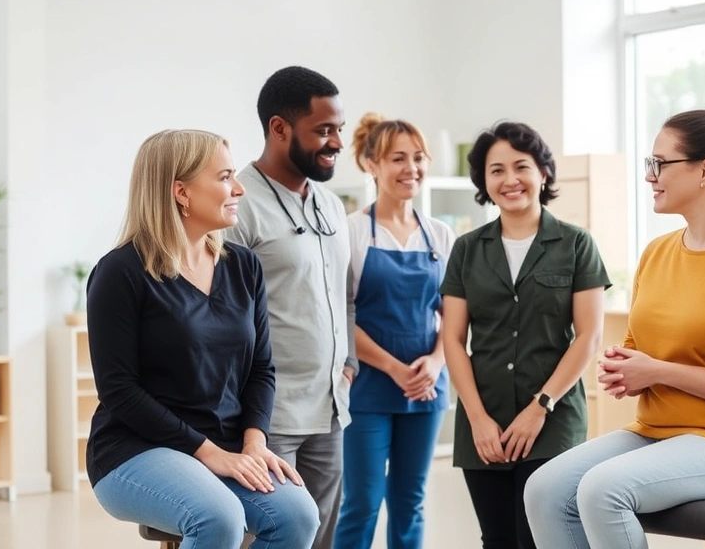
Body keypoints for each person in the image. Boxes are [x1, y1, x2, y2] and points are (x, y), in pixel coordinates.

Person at [523, 91, 705, 549]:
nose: (649, 176)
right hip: (660, 430)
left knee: (604, 490)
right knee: (545, 489)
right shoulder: (657, 253)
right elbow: (640, 342)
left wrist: (655, 371)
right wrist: (627, 367)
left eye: (660, 164)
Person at [86, 129, 319, 549]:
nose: (239, 188)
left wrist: (253, 442)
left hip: (228, 442)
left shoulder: (243, 266)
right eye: (225, 176)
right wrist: (209, 453)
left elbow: (262, 368)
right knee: (218, 517)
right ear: (181, 192)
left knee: (298, 516)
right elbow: (119, 390)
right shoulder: (120, 273)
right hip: (135, 448)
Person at [439, 121, 610, 549]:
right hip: (485, 419)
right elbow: (453, 339)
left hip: (553, 420)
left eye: (521, 166)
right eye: (496, 170)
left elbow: (588, 335)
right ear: (483, 181)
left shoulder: (576, 243)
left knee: (540, 538)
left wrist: (540, 407)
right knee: (497, 539)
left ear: (543, 173)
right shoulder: (466, 249)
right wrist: (477, 418)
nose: (510, 180)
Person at [224, 66, 357, 549]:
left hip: (330, 408)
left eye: (339, 128)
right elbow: (221, 320)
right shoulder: (237, 205)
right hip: (268, 418)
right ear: (279, 128)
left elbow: (345, 293)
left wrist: (349, 365)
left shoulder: (332, 204)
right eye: (324, 130)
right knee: (269, 535)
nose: (338, 142)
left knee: (321, 537)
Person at [333, 113, 456, 549]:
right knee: (362, 501)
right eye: (397, 158)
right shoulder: (350, 232)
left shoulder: (440, 235)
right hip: (368, 387)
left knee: (410, 500)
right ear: (371, 165)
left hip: (424, 388)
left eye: (418, 158)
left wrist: (436, 361)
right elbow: (342, 317)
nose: (411, 168)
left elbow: (455, 316)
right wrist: (392, 367)